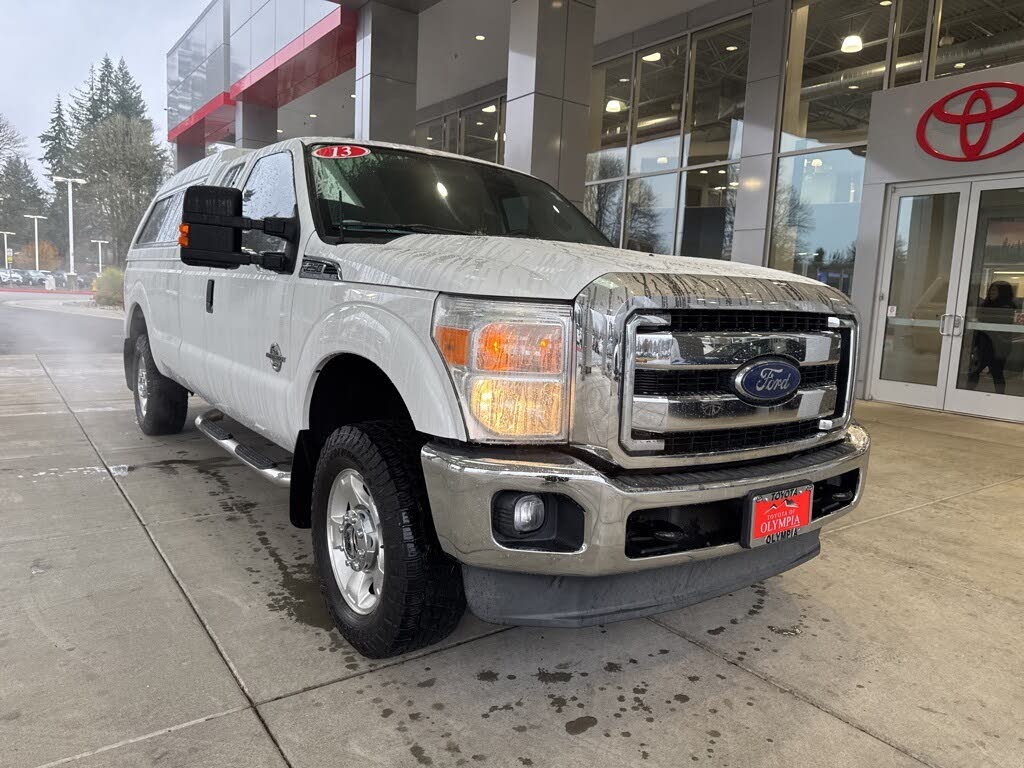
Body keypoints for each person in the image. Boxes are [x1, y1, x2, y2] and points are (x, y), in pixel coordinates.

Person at [966, 281, 1016, 394]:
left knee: (996, 372)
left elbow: (999, 323)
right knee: (974, 371)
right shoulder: (986, 304)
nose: (991, 292)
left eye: (994, 290)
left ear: (1002, 292)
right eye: (991, 290)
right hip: (983, 344)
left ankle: (999, 396)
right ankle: (967, 393)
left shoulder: (1008, 307)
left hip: (998, 345)